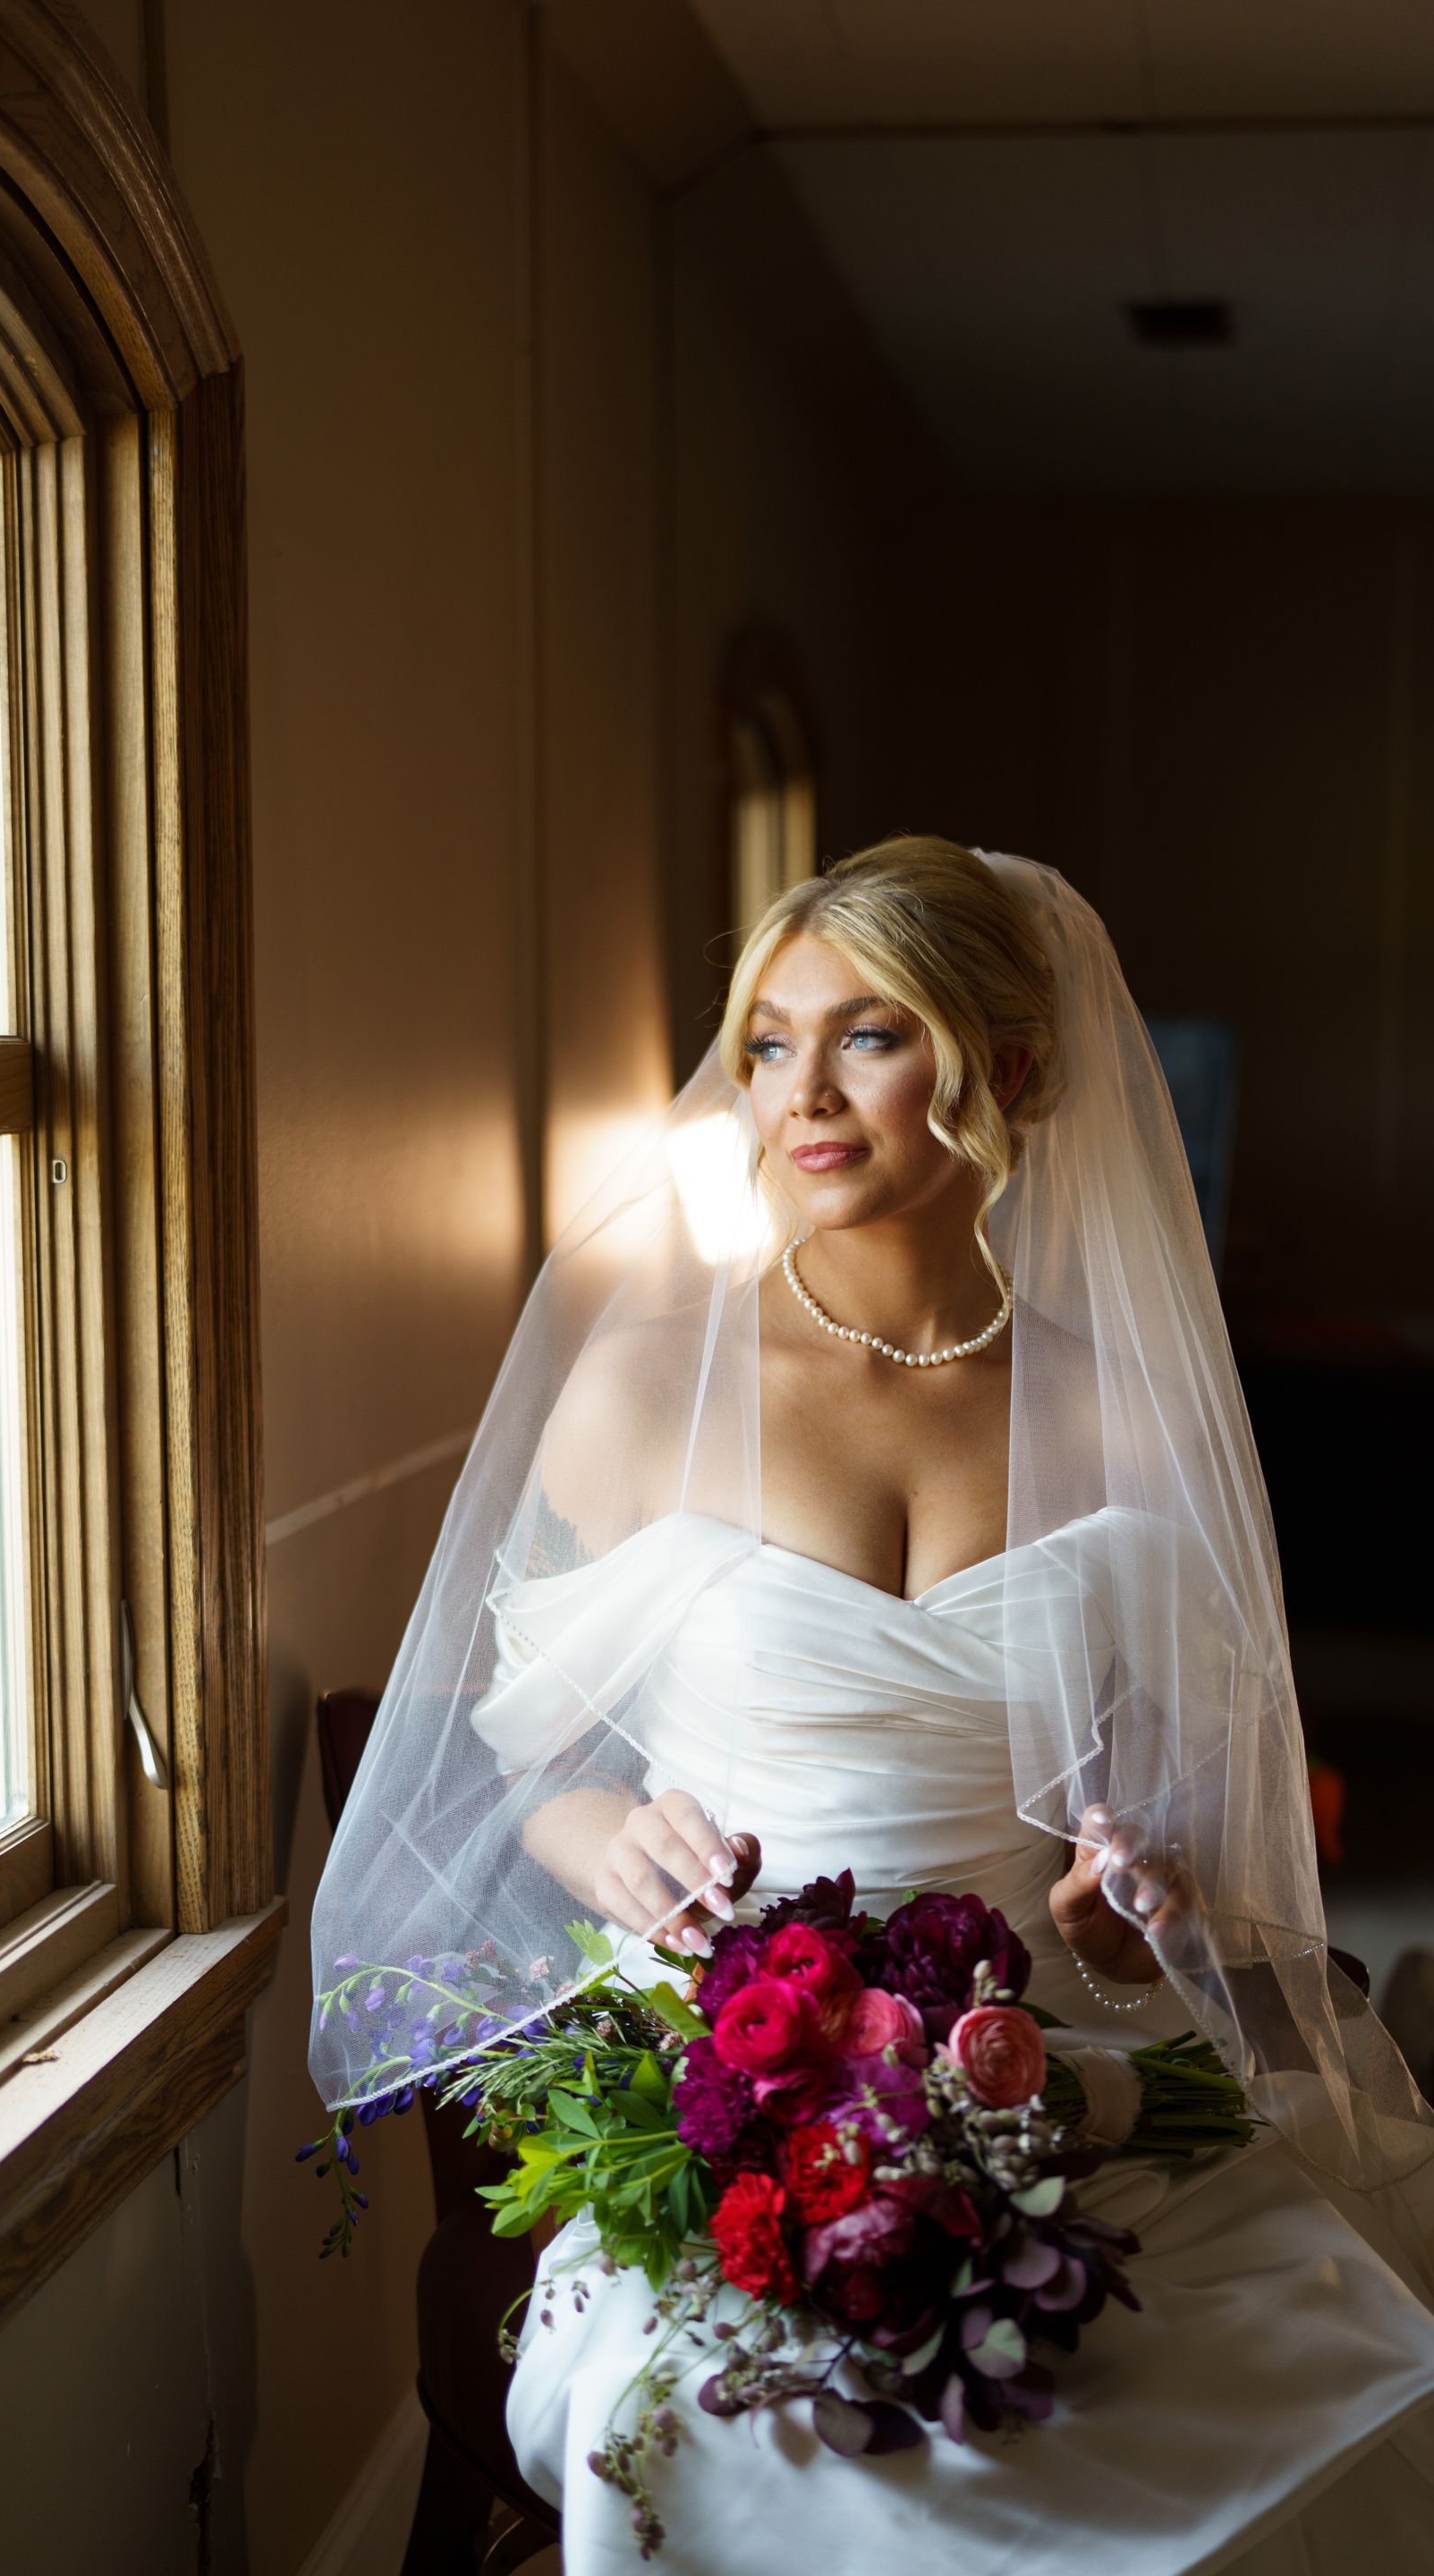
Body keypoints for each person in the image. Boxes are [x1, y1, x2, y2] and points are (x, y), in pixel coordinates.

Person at [310, 837, 1434, 2573]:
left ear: (1012, 1068)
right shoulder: (644, 1391)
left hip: (1058, 2071)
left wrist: (1129, 1920)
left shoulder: (1128, 1419)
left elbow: (1180, 1851)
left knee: (1258, 2401)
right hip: (738, 2082)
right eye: (768, 1042)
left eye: (869, 1035)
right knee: (799, 2457)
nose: (802, 1093)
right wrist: (607, 1837)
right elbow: (530, 1762)